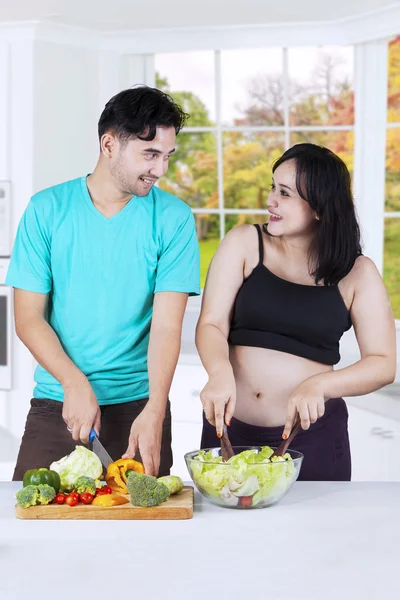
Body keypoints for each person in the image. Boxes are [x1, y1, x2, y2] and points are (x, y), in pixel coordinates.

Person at [7, 85, 200, 480]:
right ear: (109, 144)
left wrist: (156, 410)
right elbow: (28, 318)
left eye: (167, 156)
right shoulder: (46, 210)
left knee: (141, 535)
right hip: (57, 401)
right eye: (149, 154)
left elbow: (166, 327)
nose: (159, 169)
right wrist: (73, 382)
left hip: (139, 408)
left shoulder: (173, 219)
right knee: (32, 525)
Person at [196, 143, 396, 481]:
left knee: (315, 534)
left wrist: (320, 384)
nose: (271, 199)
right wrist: (218, 372)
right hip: (228, 432)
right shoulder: (245, 242)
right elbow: (212, 323)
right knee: (225, 533)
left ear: (319, 207)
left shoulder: (358, 273)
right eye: (273, 187)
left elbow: (383, 363)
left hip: (311, 438)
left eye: (285, 193)